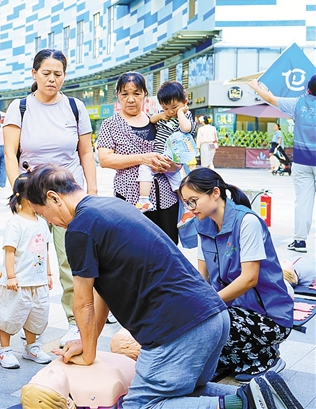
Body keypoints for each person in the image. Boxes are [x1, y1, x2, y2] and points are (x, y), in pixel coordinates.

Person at [23, 164, 303, 409]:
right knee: (185, 392)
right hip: (213, 317)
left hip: (179, 328)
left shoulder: (80, 227)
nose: (48, 221)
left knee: (142, 405)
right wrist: (88, 344)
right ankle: (262, 396)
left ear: (53, 198)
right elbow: (100, 296)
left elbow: (82, 301)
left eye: (42, 213)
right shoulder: (110, 206)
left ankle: (242, 404)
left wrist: (89, 354)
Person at [3, 49, 97, 347]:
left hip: (69, 198)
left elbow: (86, 152)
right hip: (33, 197)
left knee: (71, 260)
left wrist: (91, 191)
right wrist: (21, 194)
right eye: (46, 73)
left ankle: (74, 321)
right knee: (27, 260)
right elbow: (10, 153)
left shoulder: (74, 107)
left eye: (58, 74)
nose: (52, 79)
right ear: (34, 74)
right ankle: (25, 326)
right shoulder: (19, 108)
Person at [179, 168, 293, 379]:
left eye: (193, 200)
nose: (190, 208)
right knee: (192, 323)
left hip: (270, 316)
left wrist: (207, 304)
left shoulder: (247, 222)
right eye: (187, 202)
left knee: (209, 324)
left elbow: (249, 278)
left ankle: (269, 359)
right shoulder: (202, 224)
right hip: (234, 310)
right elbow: (201, 277)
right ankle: (240, 358)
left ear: (215, 193)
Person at [96, 72, 181, 244]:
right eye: (125, 94)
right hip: (129, 198)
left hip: (165, 198)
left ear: (145, 95)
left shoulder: (159, 121)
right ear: (117, 96)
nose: (131, 99)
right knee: (133, 248)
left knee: (167, 247)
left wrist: (169, 165)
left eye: (136, 93)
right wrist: (143, 159)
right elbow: (105, 160)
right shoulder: (110, 124)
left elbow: (178, 161)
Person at [249, 76, 316, 254]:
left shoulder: (298, 103)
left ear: (308, 89)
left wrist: (255, 85)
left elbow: (270, 99)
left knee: (303, 202)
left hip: (302, 161)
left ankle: (300, 242)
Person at [0, 173, 53, 369]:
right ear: (21, 196)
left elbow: (45, 250)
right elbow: (9, 252)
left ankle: (31, 346)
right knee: (9, 314)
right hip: (18, 282)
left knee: (37, 314)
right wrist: (10, 276)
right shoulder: (15, 223)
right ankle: (5, 350)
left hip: (38, 281)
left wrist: (49, 274)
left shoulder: (42, 222)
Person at [136, 81, 196, 212]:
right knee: (173, 182)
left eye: (174, 107)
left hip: (172, 156)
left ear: (185, 102)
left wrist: (180, 112)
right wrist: (161, 115)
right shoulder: (162, 115)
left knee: (147, 169)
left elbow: (186, 128)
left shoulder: (186, 116)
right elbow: (151, 120)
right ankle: (186, 208)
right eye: (165, 108)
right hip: (162, 157)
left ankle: (145, 200)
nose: (169, 111)